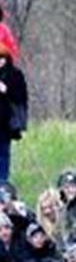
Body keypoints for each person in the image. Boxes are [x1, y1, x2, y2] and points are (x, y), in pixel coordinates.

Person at [0, 47, 26, 184]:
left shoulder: (15, 74)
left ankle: (2, 183)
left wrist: (6, 90)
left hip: (6, 124)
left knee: (3, 155)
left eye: (1, 59)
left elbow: (21, 97)